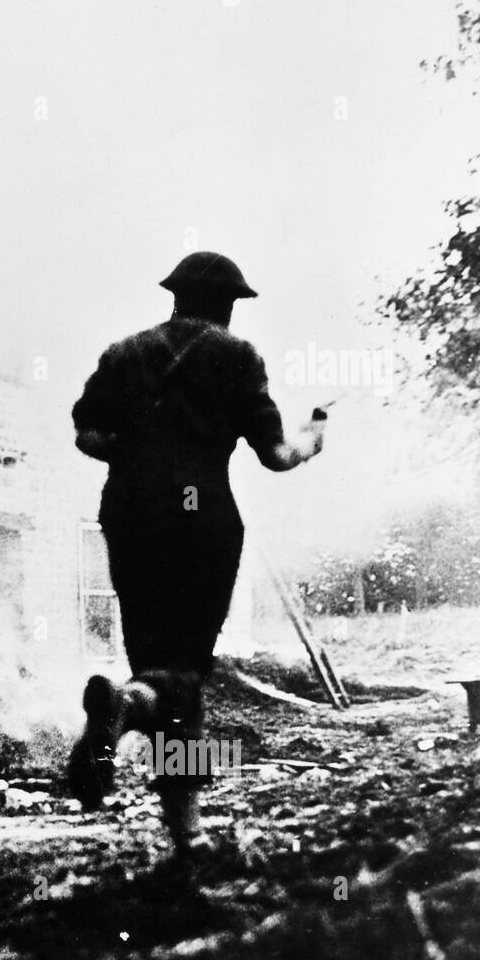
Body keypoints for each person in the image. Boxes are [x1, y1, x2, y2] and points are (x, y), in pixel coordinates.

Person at [68, 251, 326, 859]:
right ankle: (184, 826)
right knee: (186, 667)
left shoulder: (123, 352)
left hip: (130, 512)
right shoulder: (236, 356)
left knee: (153, 656)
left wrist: (141, 454)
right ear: (230, 304)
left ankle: (128, 709)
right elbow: (276, 456)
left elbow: (86, 434)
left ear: (176, 296)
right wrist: (313, 439)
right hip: (201, 516)